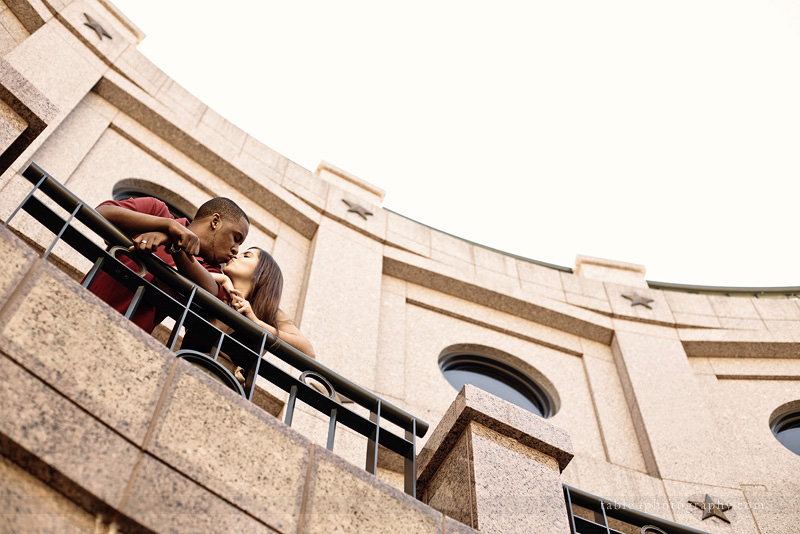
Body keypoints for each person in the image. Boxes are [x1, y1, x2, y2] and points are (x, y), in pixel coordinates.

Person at [88, 196, 249, 333]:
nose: (236, 250)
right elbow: (100, 213)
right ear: (215, 221)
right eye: (236, 238)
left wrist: (173, 243)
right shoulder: (156, 210)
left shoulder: (209, 270)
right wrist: (168, 225)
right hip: (84, 306)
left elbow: (211, 294)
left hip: (125, 340)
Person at [178, 246, 316, 358]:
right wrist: (222, 279)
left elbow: (308, 352)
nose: (235, 255)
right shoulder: (215, 288)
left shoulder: (267, 312)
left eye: (246, 255)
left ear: (262, 272)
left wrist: (256, 323)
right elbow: (173, 274)